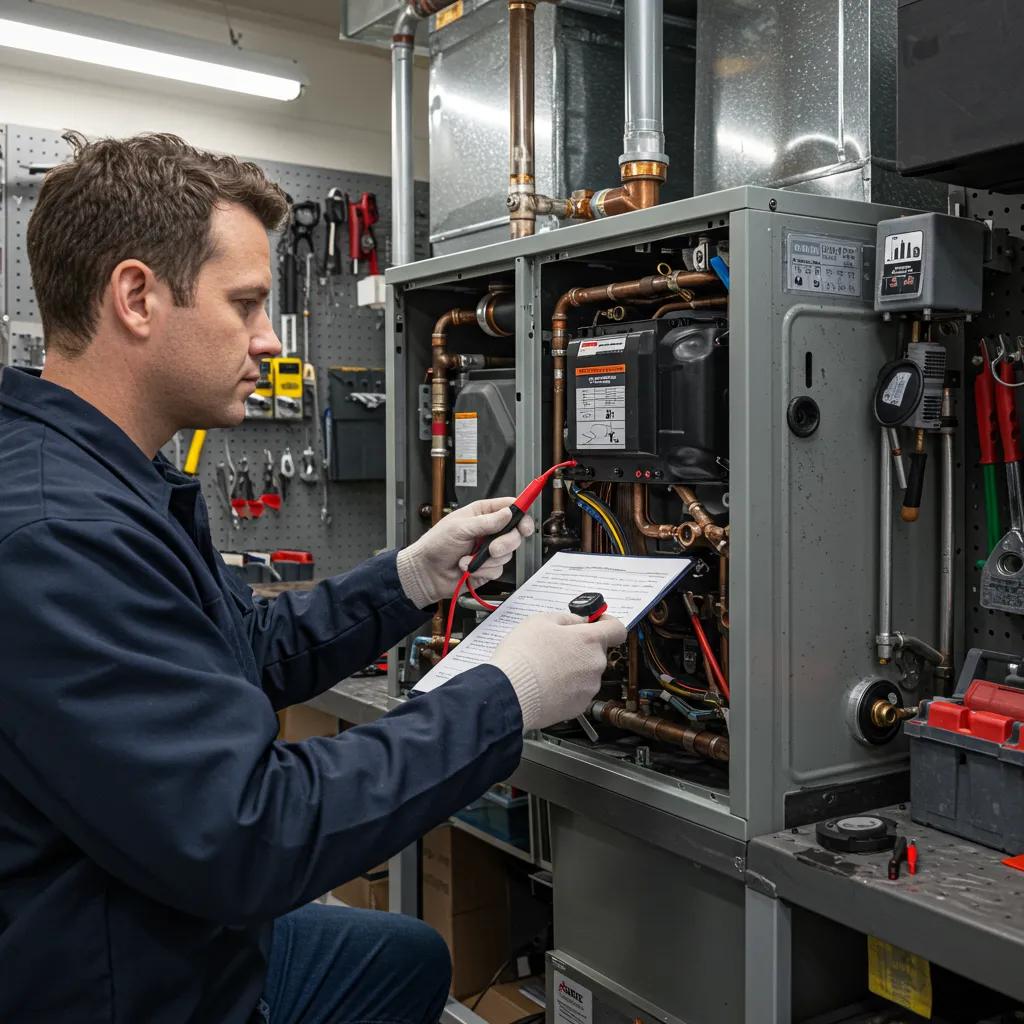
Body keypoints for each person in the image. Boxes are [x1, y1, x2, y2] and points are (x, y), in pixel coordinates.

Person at [0, 133, 625, 1024]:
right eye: (247, 304)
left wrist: (409, 579)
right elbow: (250, 832)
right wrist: (507, 693)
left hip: (164, 926)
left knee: (407, 955)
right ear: (136, 297)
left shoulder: (106, 477)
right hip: (123, 981)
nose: (267, 341)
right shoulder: (59, 534)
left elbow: (238, 651)